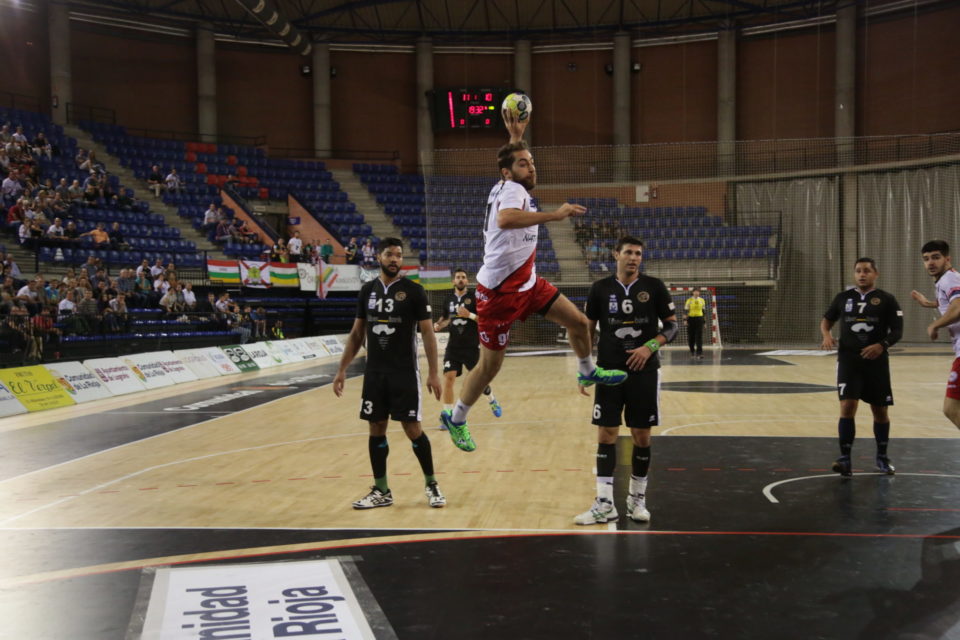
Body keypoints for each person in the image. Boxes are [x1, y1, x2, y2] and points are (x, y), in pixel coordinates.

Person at [438, 104, 627, 452]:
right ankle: (458, 418)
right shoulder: (513, 190)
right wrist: (555, 215)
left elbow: (509, 174)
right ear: (508, 172)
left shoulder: (505, 184)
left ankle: (587, 370)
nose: (532, 166)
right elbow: (506, 219)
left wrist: (515, 138)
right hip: (499, 294)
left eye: (532, 162)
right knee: (489, 367)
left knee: (579, 323)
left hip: (528, 283)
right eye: (524, 163)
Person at [333, 237, 444, 510]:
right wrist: (342, 369)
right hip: (375, 373)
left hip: (404, 372)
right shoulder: (367, 291)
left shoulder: (414, 291)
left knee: (413, 429)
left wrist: (433, 372)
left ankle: (431, 484)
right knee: (376, 427)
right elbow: (357, 333)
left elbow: (427, 333)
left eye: (398, 255)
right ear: (378, 257)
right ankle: (382, 490)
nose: (394, 259)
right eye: (389, 254)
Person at [574, 237, 677, 525]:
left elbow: (672, 326)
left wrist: (649, 347)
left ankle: (637, 499)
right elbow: (587, 330)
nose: (633, 258)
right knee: (606, 434)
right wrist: (585, 368)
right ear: (616, 254)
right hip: (608, 370)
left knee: (641, 435)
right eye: (628, 252)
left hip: (644, 371)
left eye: (638, 254)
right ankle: (604, 503)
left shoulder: (654, 286)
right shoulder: (600, 288)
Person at [820, 257, 903, 477]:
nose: (862, 274)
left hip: (876, 363)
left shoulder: (887, 299)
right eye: (858, 271)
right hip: (849, 362)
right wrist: (826, 335)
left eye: (866, 270)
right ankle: (845, 459)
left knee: (880, 411)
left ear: (876, 273)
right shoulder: (843, 298)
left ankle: (882, 457)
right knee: (847, 407)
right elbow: (827, 320)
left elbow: (897, 331)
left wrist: (881, 345)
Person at [433, 268, 502, 424]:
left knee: (480, 382)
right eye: (458, 277)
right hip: (453, 347)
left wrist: (469, 315)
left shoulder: (474, 298)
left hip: (471, 347)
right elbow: (446, 318)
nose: (460, 279)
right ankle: (448, 415)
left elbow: (484, 320)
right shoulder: (448, 299)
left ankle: (492, 400)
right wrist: (439, 324)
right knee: (449, 378)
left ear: (467, 281)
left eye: (463, 277)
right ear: (453, 281)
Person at [911, 239, 960, 431]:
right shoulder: (947, 280)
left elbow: (957, 307)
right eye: (926, 259)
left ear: (947, 259)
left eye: (935, 257)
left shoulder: (949, 279)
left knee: (951, 409)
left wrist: (934, 325)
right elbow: (949, 302)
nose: (930, 262)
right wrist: (928, 303)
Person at [684, 287, 706, 359]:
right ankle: (692, 351)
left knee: (699, 337)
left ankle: (699, 353)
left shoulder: (702, 300)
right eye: (695, 291)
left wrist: (704, 322)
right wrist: (685, 320)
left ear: (699, 293)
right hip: (691, 319)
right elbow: (685, 311)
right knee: (691, 337)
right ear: (692, 292)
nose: (696, 293)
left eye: (698, 291)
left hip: (699, 319)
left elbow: (703, 312)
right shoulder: (689, 300)